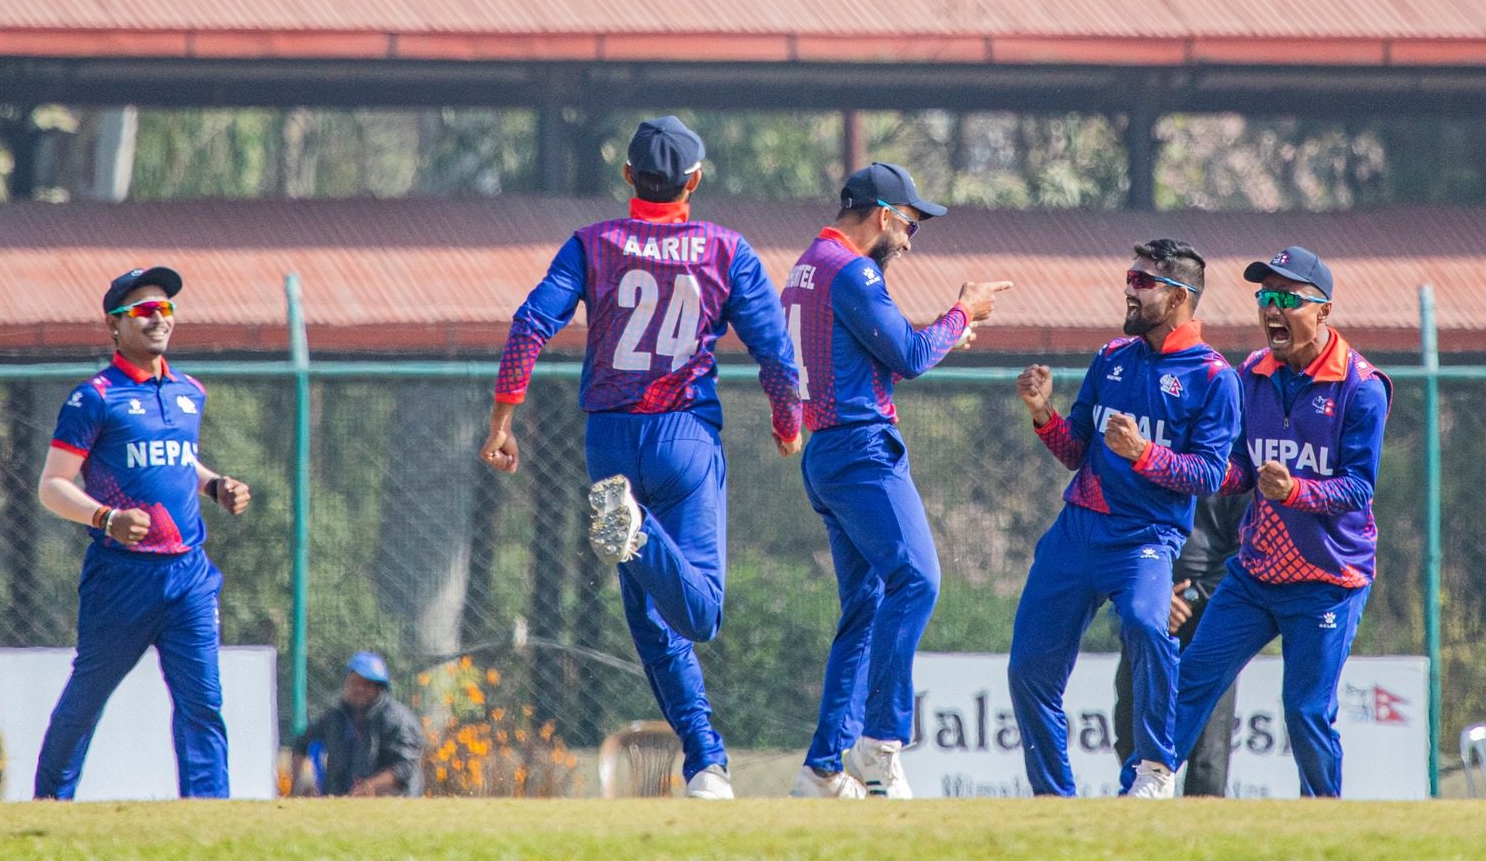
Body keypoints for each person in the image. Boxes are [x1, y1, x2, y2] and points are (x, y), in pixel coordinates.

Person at [479, 117, 800, 801]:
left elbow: (531, 322)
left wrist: (503, 417)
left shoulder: (593, 244)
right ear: (696, 180)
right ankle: (706, 755)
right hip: (683, 436)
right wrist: (787, 419)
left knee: (652, 618)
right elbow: (776, 350)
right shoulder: (726, 250)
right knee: (701, 613)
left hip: (610, 442)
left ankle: (706, 762)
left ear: (628, 177)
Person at [782, 162, 1012, 798]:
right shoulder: (852, 270)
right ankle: (882, 747)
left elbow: (879, 347)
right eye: (910, 223)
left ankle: (824, 769)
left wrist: (939, 332)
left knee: (865, 606)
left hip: (827, 452)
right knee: (918, 579)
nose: (911, 238)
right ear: (882, 216)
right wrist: (962, 314)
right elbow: (908, 357)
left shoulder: (809, 265)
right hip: (860, 450)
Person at [1008, 240, 1241, 799]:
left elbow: (1211, 475)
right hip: (1077, 529)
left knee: (1144, 624)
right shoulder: (1112, 357)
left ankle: (1155, 771)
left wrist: (1145, 455)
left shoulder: (1214, 377)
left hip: (1145, 536)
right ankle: (1053, 799)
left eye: (1143, 282)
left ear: (1180, 297)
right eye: (1130, 278)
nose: (1129, 290)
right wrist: (1043, 414)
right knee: (1027, 669)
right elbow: (1075, 450)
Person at [1171, 247, 1391, 799]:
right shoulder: (1253, 373)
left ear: (1323, 310)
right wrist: (1207, 472)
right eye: (1265, 298)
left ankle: (1323, 822)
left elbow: (1360, 489)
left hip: (1328, 579)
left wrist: (1296, 490)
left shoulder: (1361, 387)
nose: (1272, 310)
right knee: (1193, 678)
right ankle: (1141, 789)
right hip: (1257, 573)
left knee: (1305, 710)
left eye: (1287, 300)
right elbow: (1242, 468)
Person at [33, 267, 252, 799]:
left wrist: (214, 484)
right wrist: (104, 517)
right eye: (143, 311)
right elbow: (52, 485)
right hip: (121, 578)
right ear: (115, 325)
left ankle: (208, 819)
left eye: (165, 309)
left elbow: (178, 460)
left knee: (202, 703)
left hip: (188, 573)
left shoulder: (188, 392)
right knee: (87, 699)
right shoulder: (95, 398)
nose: (158, 318)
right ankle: (48, 807)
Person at [1114, 489, 1252, 797]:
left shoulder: (1233, 460)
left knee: (1208, 755)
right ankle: (1140, 829)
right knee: (1129, 733)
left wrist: (1191, 597)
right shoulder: (1147, 453)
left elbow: (1247, 551)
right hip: (1148, 612)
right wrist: (1155, 597)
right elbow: (1121, 533)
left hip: (1213, 622)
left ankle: (1201, 840)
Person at [290, 653, 423, 797]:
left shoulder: (398, 719)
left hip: (392, 804)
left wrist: (369, 787)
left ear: (380, 689)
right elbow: (300, 745)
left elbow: (405, 768)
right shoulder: (335, 717)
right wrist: (301, 782)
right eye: (354, 682)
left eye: (367, 684)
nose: (359, 689)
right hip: (339, 804)